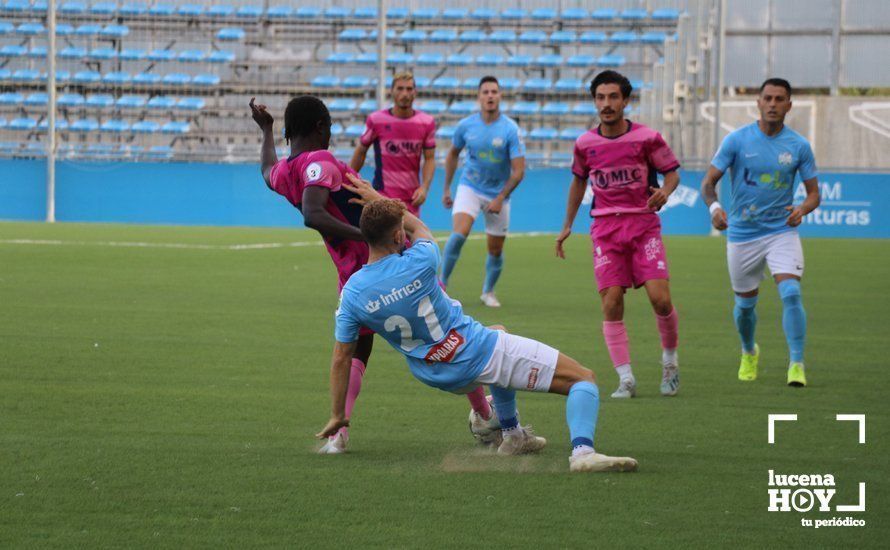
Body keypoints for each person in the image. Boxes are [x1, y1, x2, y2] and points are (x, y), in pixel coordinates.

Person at [317, 174, 638, 473]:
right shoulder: (421, 260)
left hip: (436, 373)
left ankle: (513, 436)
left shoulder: (353, 292)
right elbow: (418, 228)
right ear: (398, 235)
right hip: (473, 353)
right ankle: (583, 453)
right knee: (584, 379)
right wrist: (377, 197)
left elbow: (341, 357)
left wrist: (336, 414)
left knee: (497, 331)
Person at [249, 96, 493, 454]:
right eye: (329, 127)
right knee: (450, 334)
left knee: (356, 349)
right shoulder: (321, 161)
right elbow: (312, 213)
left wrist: (267, 131)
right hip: (395, 265)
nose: (331, 134)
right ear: (320, 126)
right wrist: (369, 235)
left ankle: (338, 434)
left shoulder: (288, 172)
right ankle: (485, 415)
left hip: (354, 278)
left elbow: (267, 170)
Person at [555, 70, 682, 399]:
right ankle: (625, 378)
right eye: (600, 97)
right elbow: (578, 182)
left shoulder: (647, 138)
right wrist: (568, 224)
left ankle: (670, 362)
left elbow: (671, 174)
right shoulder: (585, 143)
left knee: (660, 298)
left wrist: (665, 192)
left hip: (643, 225)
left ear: (626, 101)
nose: (607, 104)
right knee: (611, 303)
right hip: (606, 230)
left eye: (613, 97)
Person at [700, 78, 820, 387]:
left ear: (789, 105)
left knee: (791, 293)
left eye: (779, 99)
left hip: (782, 231)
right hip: (742, 234)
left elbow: (813, 194)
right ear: (758, 102)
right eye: (767, 98)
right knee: (744, 307)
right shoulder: (737, 141)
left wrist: (802, 209)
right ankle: (748, 351)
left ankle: (796, 363)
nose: (772, 104)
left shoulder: (799, 146)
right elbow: (708, 183)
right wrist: (714, 209)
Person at [441, 76, 526, 308]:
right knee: (459, 234)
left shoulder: (510, 130)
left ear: (500, 96)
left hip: (499, 194)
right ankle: (441, 286)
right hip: (470, 186)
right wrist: (447, 187)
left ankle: (488, 292)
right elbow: (452, 154)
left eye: (494, 92)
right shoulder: (466, 126)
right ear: (479, 97)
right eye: (485, 92)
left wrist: (500, 197)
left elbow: (519, 171)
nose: (490, 95)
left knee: (495, 249)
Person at [349, 72, 437, 216]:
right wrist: (350, 180)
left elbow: (430, 158)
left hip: (411, 199)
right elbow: (361, 150)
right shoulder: (376, 120)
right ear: (392, 91)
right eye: (400, 88)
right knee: (381, 238)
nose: (405, 93)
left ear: (415, 92)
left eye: (409, 89)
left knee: (411, 238)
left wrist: (424, 188)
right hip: (381, 196)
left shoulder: (426, 122)